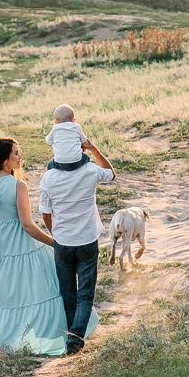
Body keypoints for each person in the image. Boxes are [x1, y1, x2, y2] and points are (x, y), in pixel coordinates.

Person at [0, 137, 99, 356]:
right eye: (16, 153)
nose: (20, 157)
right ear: (5, 159)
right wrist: (55, 243)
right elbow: (28, 226)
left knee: (8, 297)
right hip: (20, 245)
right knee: (40, 289)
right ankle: (57, 336)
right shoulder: (18, 185)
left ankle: (8, 342)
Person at [39, 132, 116, 355]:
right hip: (86, 241)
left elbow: (45, 214)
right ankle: (76, 337)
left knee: (68, 292)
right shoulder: (90, 170)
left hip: (63, 243)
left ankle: (74, 336)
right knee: (85, 293)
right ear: (79, 148)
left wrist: (57, 234)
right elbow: (111, 173)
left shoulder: (48, 177)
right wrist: (93, 148)